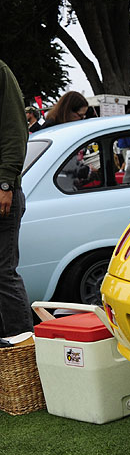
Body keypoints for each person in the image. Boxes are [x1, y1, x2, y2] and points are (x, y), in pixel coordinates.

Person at [0, 59, 33, 339]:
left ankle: (22, 351)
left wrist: (5, 183)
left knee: (2, 275)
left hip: (2, 191)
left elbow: (15, 131)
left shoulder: (1, 72)